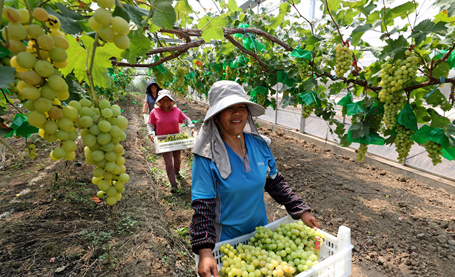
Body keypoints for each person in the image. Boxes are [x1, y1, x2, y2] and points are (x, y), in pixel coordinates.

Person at [189, 80, 319, 277]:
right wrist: (206, 251)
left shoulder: (259, 145)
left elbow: (275, 182)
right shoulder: (207, 157)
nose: (236, 113)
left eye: (241, 107)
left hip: (261, 235)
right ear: (215, 117)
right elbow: (203, 206)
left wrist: (301, 210)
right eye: (228, 108)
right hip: (227, 244)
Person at [147, 90, 195, 192]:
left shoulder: (176, 111)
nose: (165, 101)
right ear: (159, 101)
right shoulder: (154, 112)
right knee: (168, 163)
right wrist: (151, 133)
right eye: (163, 99)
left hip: (176, 140)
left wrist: (191, 126)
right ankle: (173, 184)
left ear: (170, 101)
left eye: (167, 99)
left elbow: (186, 120)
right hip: (163, 142)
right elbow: (150, 125)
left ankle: (176, 172)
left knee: (178, 160)